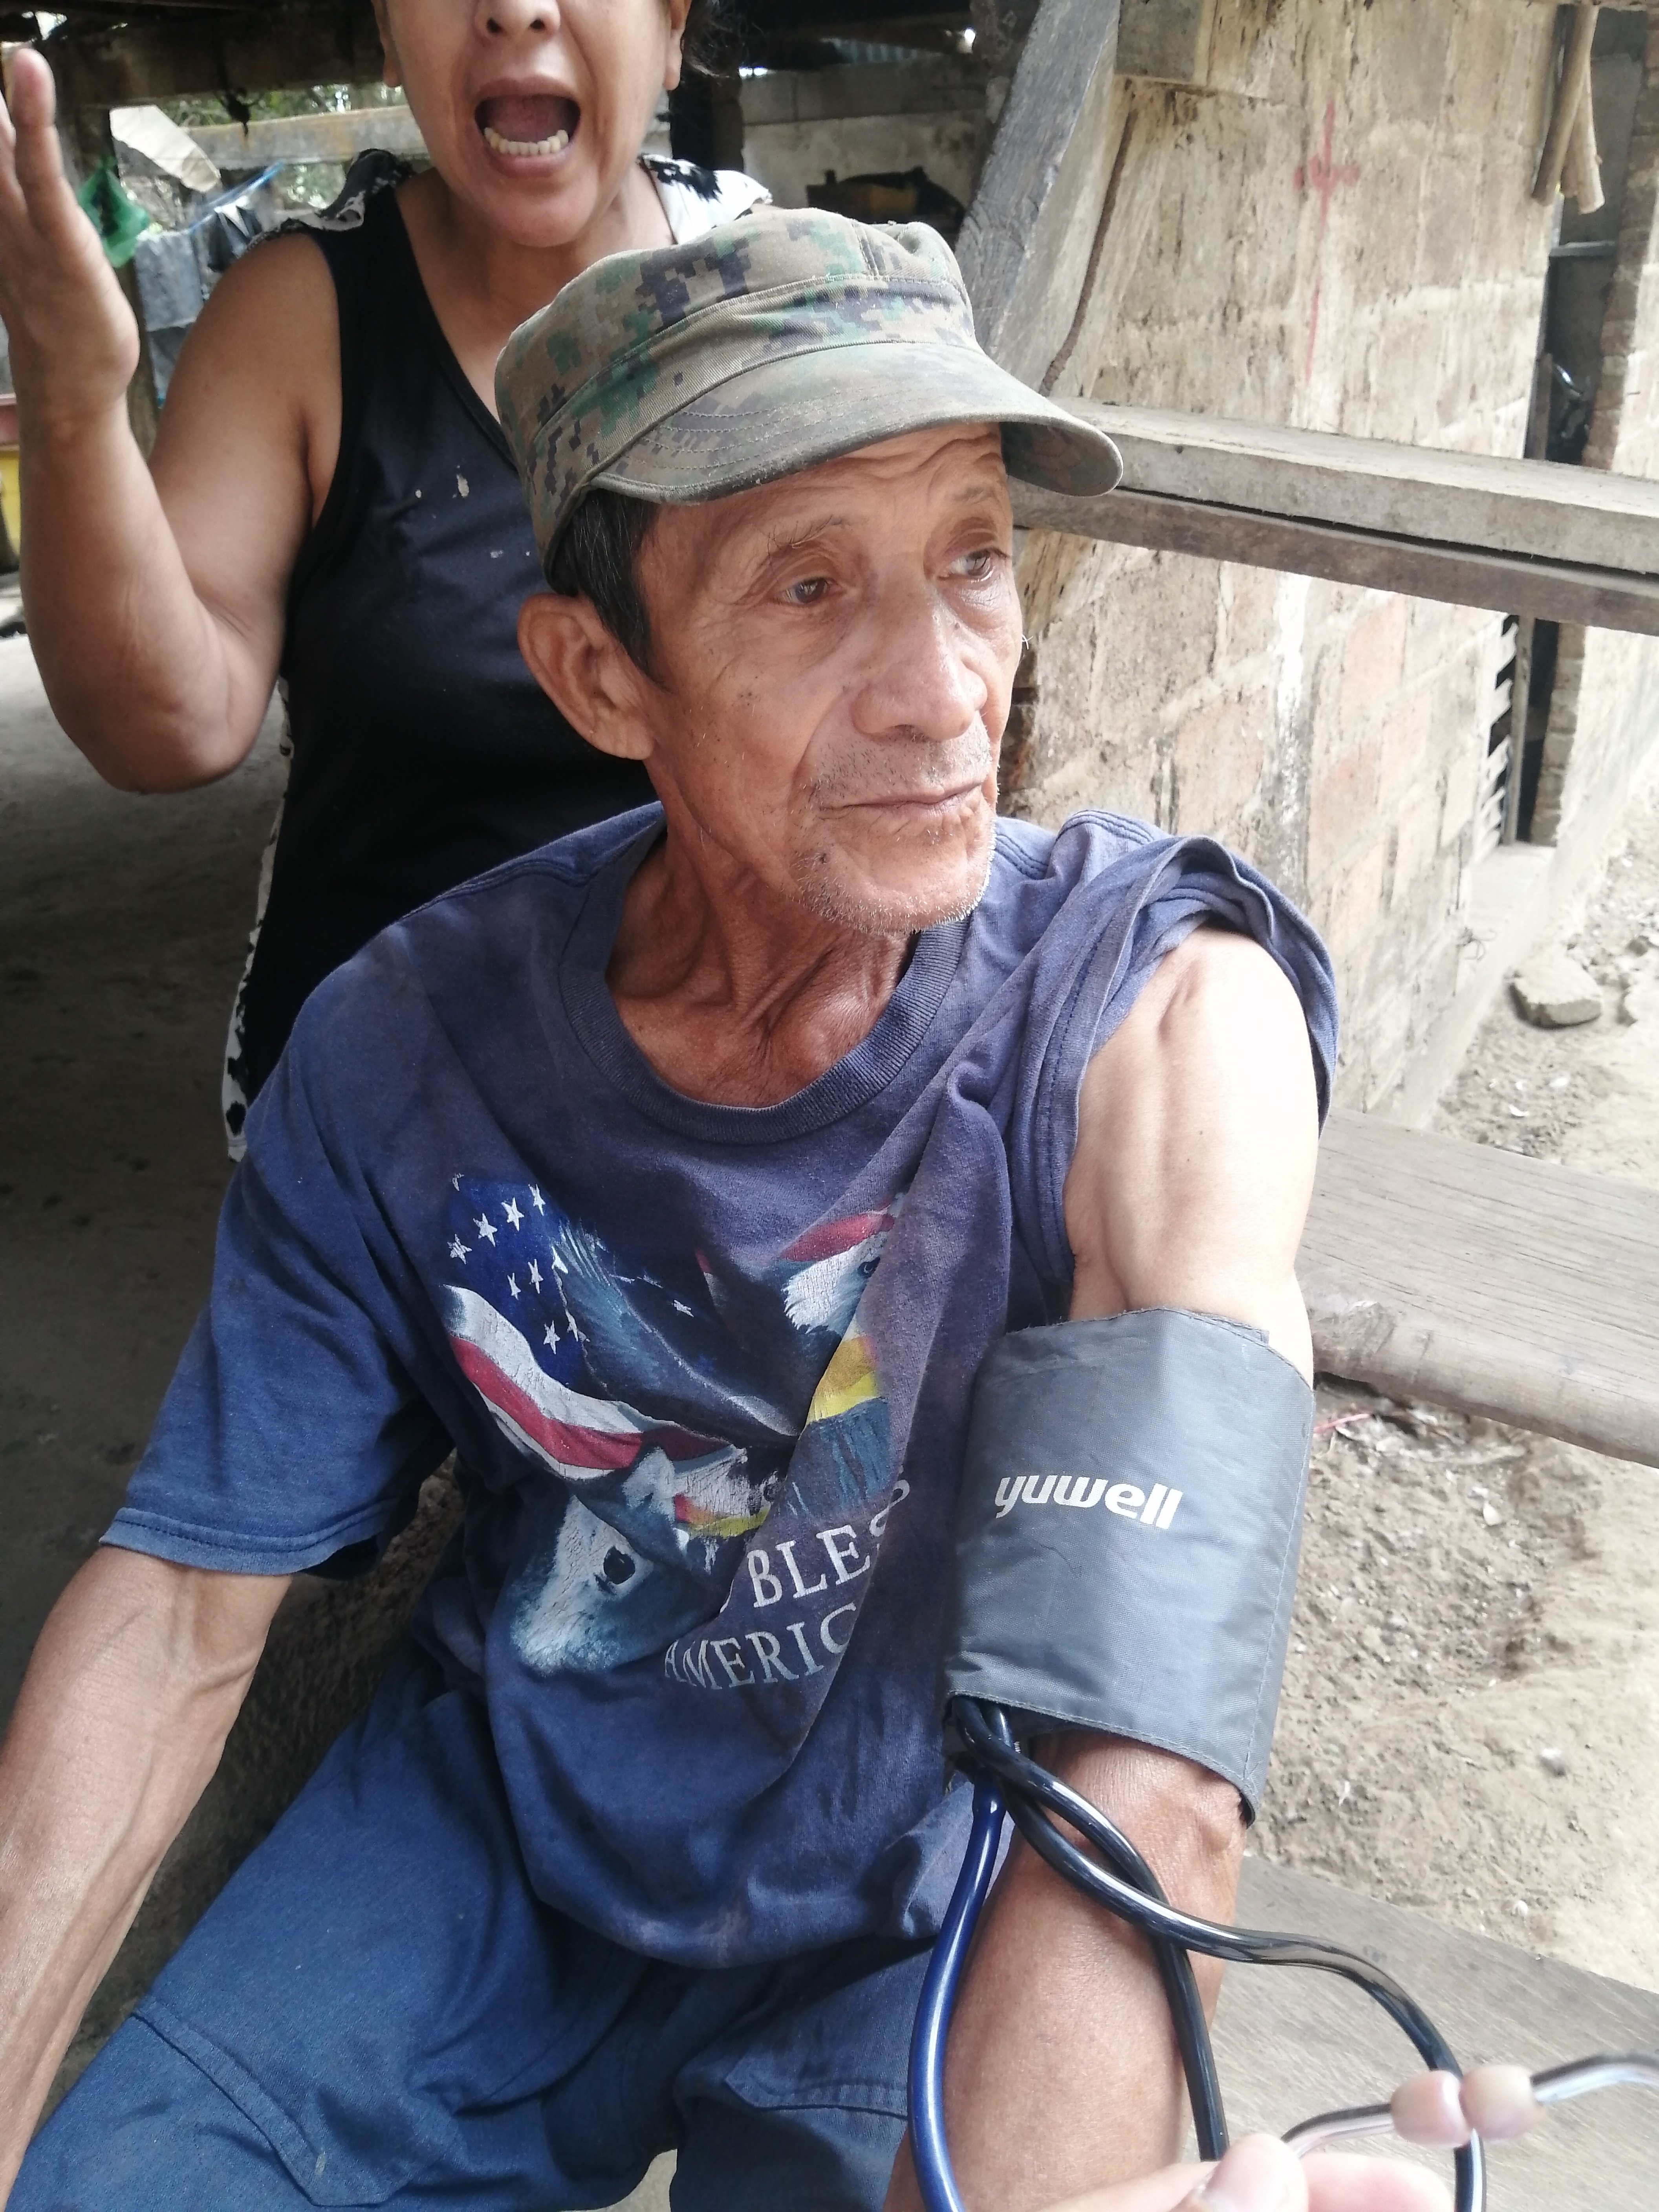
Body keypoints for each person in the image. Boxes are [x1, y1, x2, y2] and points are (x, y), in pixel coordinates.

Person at [0, 208, 1474, 2212]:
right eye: (810, 585)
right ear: (601, 673)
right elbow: (179, 1605)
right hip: (503, 1839)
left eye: (975, 557)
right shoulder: (407, 1045)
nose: (944, 693)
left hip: (911, 1893)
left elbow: (1147, 1751)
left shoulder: (1154, 1008)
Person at [0, 2, 766, 1149]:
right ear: (390, 37)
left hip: (717, 1140)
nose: (514, 6)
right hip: (371, 1148)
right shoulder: (298, 313)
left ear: (672, 28)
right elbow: (165, 729)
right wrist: (72, 411)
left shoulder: (788, 297)